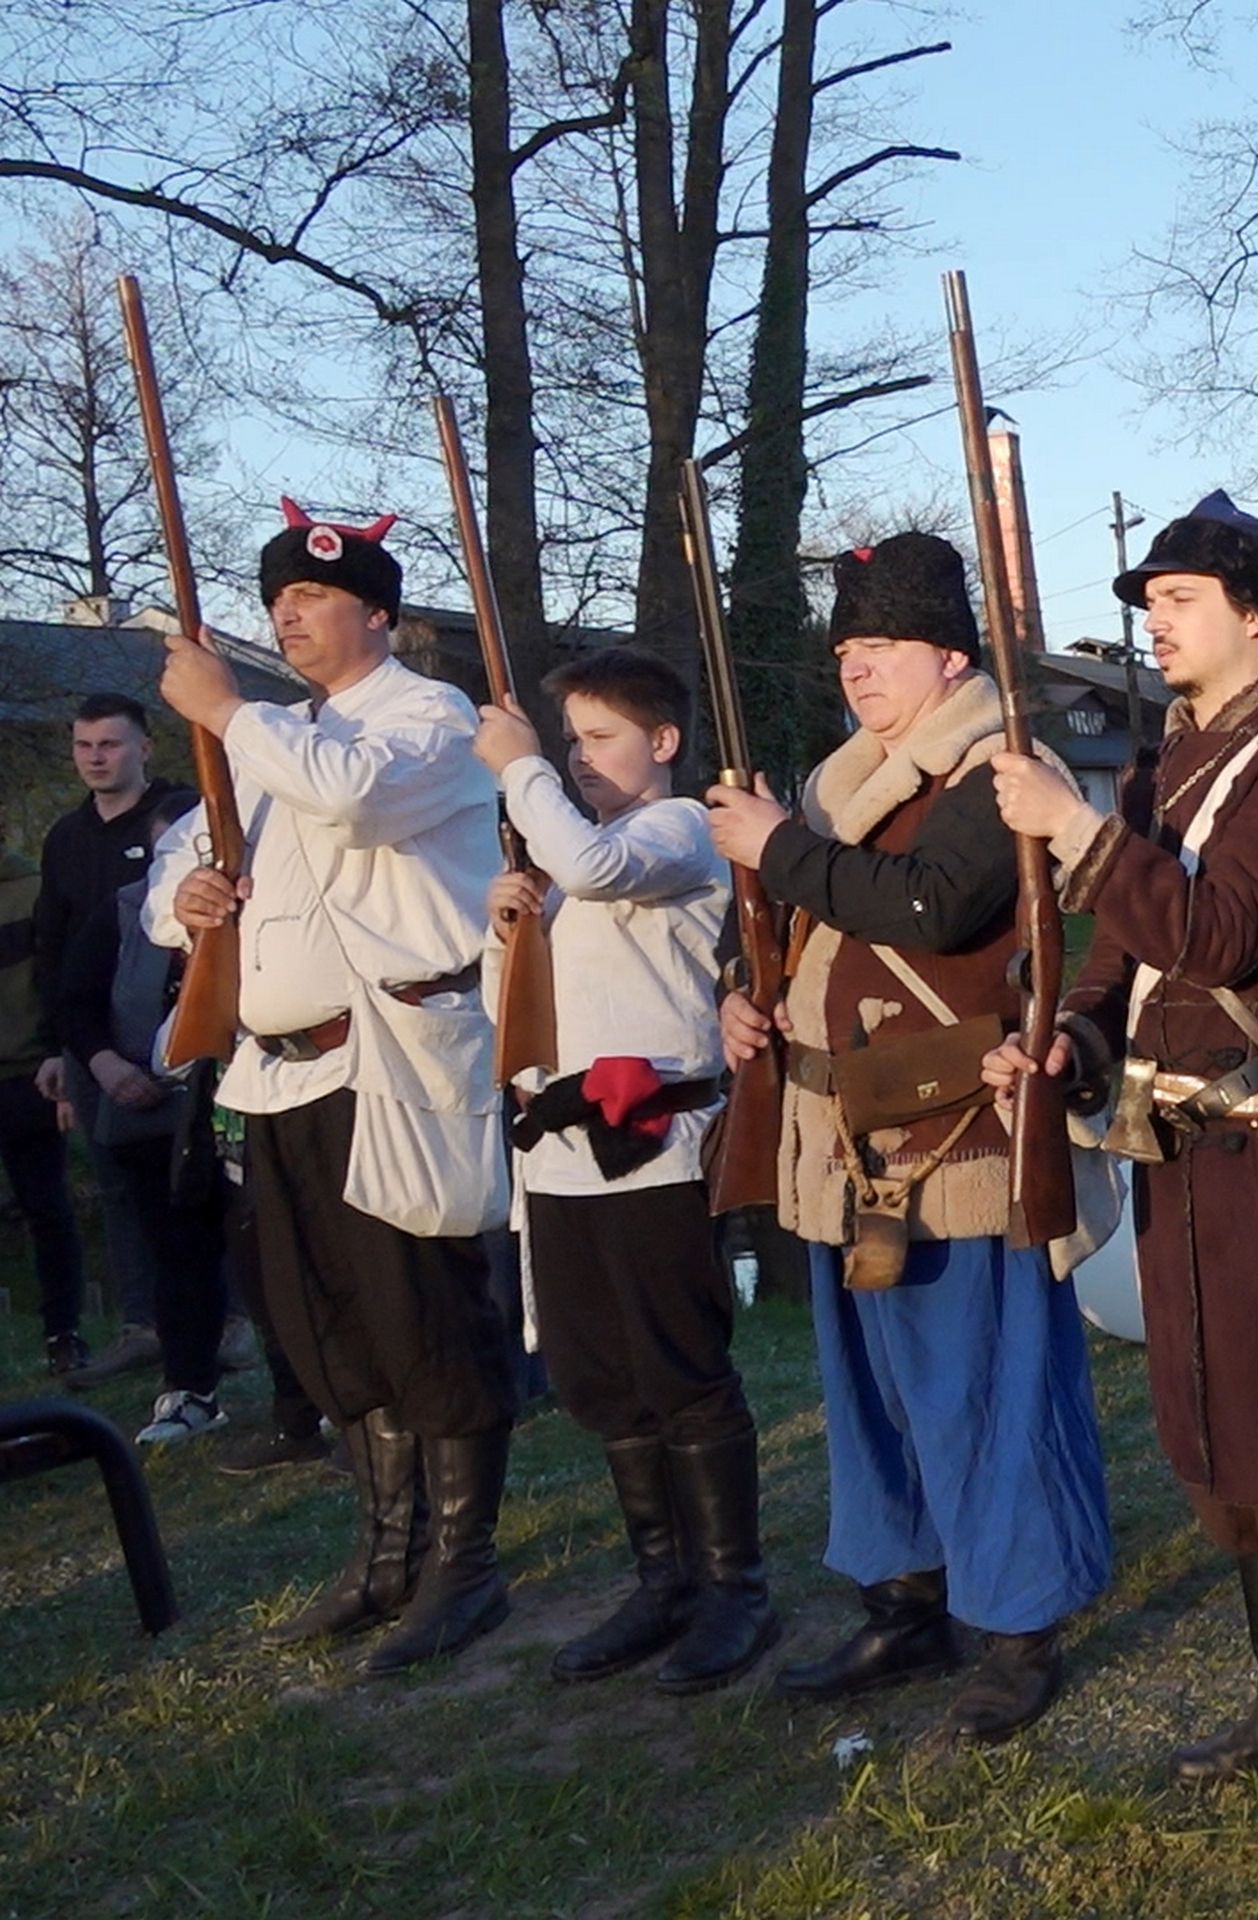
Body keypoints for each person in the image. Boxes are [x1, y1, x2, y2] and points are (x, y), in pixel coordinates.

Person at [986, 491, 1258, 1836]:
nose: (1153, 622)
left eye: (1177, 598)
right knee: (1210, 1408)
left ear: (1257, 616)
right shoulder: (1159, 763)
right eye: (1149, 602)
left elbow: (1220, 932)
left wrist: (1075, 832)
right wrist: (1067, 1034)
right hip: (1178, 1135)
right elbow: (1124, 960)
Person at [707, 531, 1111, 1746]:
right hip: (837, 1131)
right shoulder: (839, 784)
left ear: (947, 657)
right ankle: (905, 1600)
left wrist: (774, 849)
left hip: (953, 1132)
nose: (856, 669)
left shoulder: (998, 772)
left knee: (985, 1390)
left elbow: (930, 907)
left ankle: (1016, 1626)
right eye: (845, 650)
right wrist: (745, 990)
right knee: (872, 1393)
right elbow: (809, 927)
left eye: (878, 647)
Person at [148, 501, 519, 1676]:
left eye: (309, 600)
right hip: (276, 1075)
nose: (287, 618)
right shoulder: (262, 739)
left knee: (421, 1312)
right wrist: (187, 904)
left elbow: (350, 797)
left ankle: (465, 1568)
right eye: (276, 605)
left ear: (377, 614)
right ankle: (384, 1556)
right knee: (325, 1327)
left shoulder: (428, 717)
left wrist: (225, 709)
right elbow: (179, 868)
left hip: (392, 1056)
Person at [475, 646, 779, 1694]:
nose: (577, 759)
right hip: (559, 1152)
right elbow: (509, 1014)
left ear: (662, 741)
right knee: (599, 1375)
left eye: (598, 738)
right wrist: (507, 922)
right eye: (568, 741)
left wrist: (520, 769)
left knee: (679, 1370)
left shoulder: (678, 830)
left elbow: (600, 870)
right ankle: (664, 1581)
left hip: (655, 1145)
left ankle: (735, 1586)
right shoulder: (570, 853)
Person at [33, 694, 199, 1395]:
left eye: (110, 744)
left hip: (178, 1033)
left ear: (144, 748)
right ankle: (142, 1325)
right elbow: (53, 941)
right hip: (88, 1035)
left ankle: (220, 1324)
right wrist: (58, 1049)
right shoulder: (67, 838)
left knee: (195, 1185)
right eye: (84, 746)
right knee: (116, 1185)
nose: (96, 757)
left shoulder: (181, 820)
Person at [0, 837, 93, 1384]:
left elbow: (56, 980)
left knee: (48, 1210)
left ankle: (64, 1334)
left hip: (27, 1074)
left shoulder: (32, 890)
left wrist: (61, 1056)